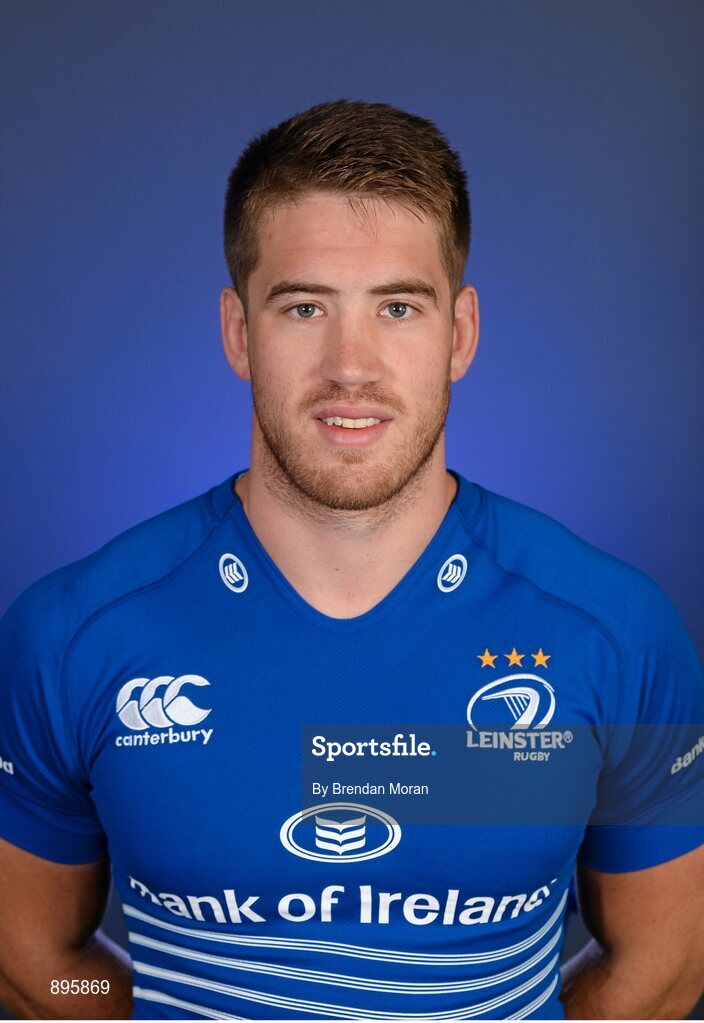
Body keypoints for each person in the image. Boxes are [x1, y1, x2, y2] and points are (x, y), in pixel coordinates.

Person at [0, 98, 702, 1022]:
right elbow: (38, 961)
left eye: (398, 307)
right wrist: (144, 1010)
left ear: (460, 334)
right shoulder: (69, 635)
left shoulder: (616, 632)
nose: (351, 367)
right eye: (304, 307)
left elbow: (667, 963)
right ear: (238, 331)